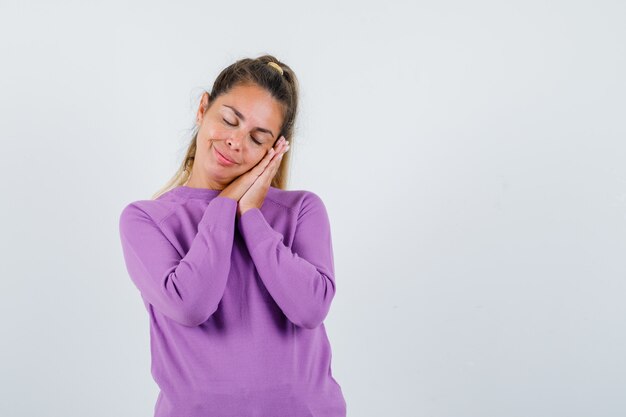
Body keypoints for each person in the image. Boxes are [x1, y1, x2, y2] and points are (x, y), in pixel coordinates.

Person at [118, 55, 347, 417]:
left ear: (275, 149)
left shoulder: (302, 210)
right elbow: (190, 305)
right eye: (228, 120)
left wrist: (251, 215)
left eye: (257, 138)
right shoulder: (146, 220)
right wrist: (224, 206)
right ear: (203, 108)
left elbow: (310, 308)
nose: (236, 142)